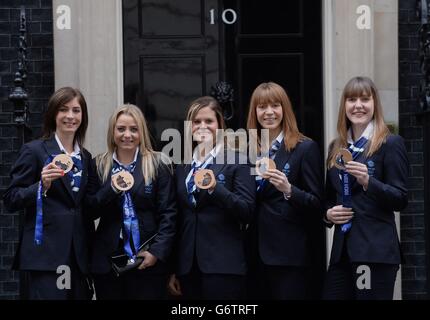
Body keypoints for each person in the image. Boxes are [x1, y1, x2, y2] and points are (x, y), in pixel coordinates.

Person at [3, 87, 94, 299]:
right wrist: (40, 186)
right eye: (64, 110)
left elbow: (86, 206)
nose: (70, 116)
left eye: (76, 110)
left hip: (79, 257)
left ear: (83, 116)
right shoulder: (34, 151)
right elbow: (11, 199)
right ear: (54, 114)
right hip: (46, 257)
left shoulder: (87, 158)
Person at [323, 76, 408, 300]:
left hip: (373, 253)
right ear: (344, 106)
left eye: (364, 99)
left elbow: (400, 198)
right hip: (341, 254)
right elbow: (329, 198)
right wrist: (328, 214)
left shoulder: (390, 143)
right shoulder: (336, 147)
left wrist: (369, 182)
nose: (358, 105)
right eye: (351, 99)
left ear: (374, 104)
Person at [168, 96, 255, 300]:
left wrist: (216, 189)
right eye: (197, 122)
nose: (202, 126)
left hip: (223, 266)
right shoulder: (182, 167)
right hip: (187, 268)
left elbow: (247, 212)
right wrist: (173, 268)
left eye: (209, 121)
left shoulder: (238, 161)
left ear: (220, 126)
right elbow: (177, 219)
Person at [87, 104, 176, 300]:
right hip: (108, 262)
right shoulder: (98, 164)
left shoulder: (157, 164)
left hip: (146, 260)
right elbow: (89, 210)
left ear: (141, 132)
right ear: (112, 132)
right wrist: (110, 189)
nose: (127, 135)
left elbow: (168, 214)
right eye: (121, 129)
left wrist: (156, 252)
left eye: (133, 129)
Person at [246, 82, 324, 299]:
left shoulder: (304, 148)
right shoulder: (247, 151)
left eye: (275, 105)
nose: (269, 112)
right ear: (255, 112)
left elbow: (317, 203)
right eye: (262, 107)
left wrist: (289, 190)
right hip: (252, 252)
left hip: (290, 254)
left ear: (285, 109)